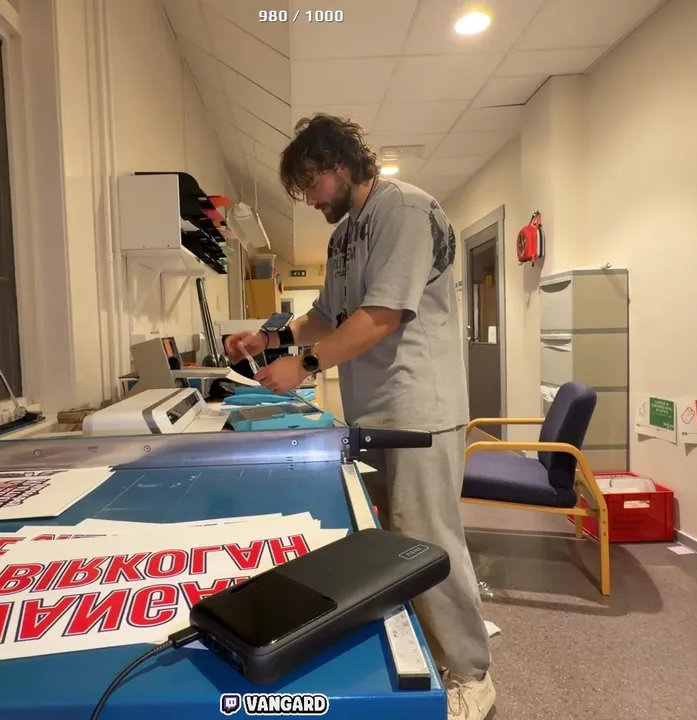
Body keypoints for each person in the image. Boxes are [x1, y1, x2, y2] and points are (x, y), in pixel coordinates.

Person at [223, 114, 495, 720]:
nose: (309, 199)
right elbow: (325, 316)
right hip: (375, 408)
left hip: (419, 406)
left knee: (429, 537)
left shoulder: (404, 210)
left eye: (312, 184)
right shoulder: (345, 234)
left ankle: (471, 672)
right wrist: (267, 338)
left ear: (340, 165)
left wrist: (304, 366)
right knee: (391, 539)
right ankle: (430, 643)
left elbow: (381, 317)